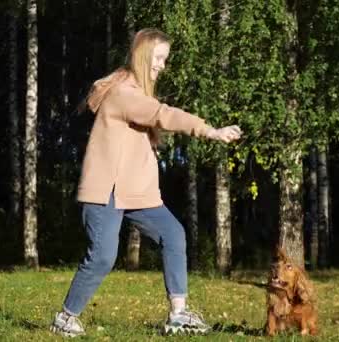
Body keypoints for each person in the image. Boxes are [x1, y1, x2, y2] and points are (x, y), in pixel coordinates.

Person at [50, 28, 242, 337]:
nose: (163, 66)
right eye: (160, 58)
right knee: (102, 256)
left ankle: (178, 314)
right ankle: (66, 317)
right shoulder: (124, 93)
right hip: (107, 193)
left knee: (173, 235)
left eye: (165, 59)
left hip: (133, 193)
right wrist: (210, 131)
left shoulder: (134, 92)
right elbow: (162, 115)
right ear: (143, 56)